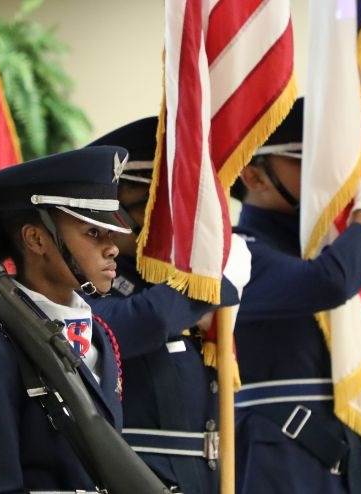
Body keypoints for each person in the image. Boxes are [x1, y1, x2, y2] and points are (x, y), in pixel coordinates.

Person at [0, 146, 134, 493]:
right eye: (93, 233)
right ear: (36, 238)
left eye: (110, 232)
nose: (112, 247)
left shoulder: (99, 333)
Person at [230, 97, 361, 494]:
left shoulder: (329, 249)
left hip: (346, 455)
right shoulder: (238, 250)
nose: (330, 176)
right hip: (284, 459)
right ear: (255, 177)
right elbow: (327, 283)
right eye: (306, 161)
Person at [85, 117, 250, 494]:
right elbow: (136, 324)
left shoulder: (163, 282)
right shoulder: (86, 281)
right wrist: (214, 284)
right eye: (162, 206)